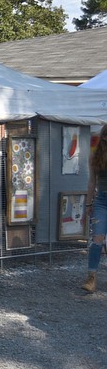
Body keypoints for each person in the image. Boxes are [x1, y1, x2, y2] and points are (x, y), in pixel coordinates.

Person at [83, 125, 107, 292]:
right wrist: (88, 204)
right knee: (97, 239)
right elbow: (91, 181)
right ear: (104, 137)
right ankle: (91, 278)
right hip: (101, 201)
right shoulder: (95, 156)